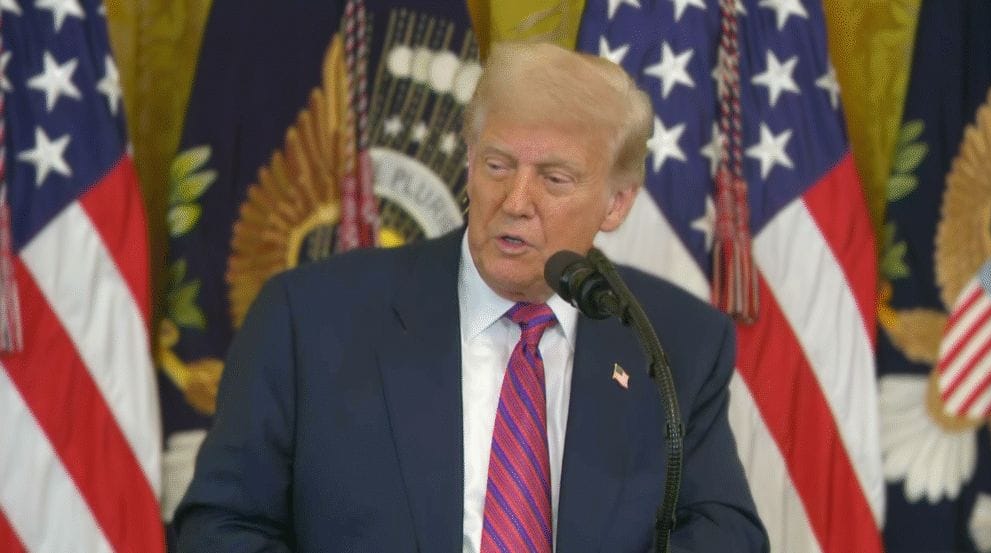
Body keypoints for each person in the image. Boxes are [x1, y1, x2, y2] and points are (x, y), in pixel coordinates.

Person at [174, 41, 767, 552]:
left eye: (554, 179)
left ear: (616, 203)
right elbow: (220, 527)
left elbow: (727, 534)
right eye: (497, 165)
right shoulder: (310, 320)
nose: (515, 200)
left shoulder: (670, 342)